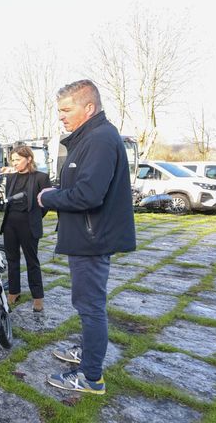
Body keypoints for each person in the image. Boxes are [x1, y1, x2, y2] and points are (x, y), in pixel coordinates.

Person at [38, 80, 136, 395]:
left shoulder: (101, 139)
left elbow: (88, 195)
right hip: (86, 236)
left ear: (88, 107)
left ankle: (91, 377)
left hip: (91, 240)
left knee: (90, 305)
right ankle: (87, 351)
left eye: (67, 110)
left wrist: (48, 198)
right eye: (60, 111)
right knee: (86, 303)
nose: (61, 117)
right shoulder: (91, 138)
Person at [0, 145, 51, 312]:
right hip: (10, 224)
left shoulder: (41, 177)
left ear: (29, 159)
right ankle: (14, 292)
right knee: (11, 259)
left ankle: (37, 297)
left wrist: (34, 218)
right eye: (13, 160)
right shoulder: (11, 178)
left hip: (28, 225)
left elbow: (46, 203)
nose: (15, 163)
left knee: (32, 261)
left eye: (18, 160)